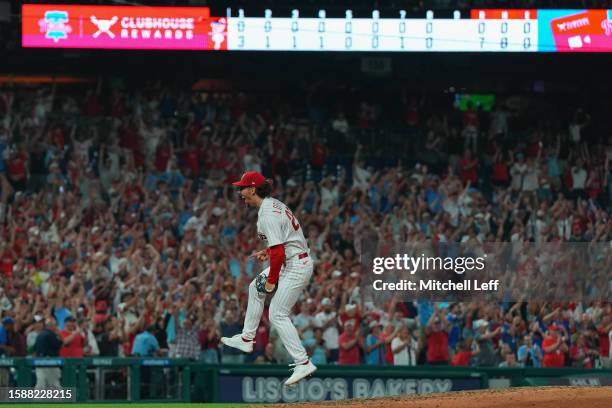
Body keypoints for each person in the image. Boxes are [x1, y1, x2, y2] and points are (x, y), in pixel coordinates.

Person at [221, 171, 317, 385]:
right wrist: (269, 251)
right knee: (254, 289)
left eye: (242, 188)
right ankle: (247, 338)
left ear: (253, 189)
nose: (240, 193)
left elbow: (280, 252)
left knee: (277, 314)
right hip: (291, 259)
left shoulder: (267, 213)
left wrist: (272, 279)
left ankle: (303, 363)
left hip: (295, 265)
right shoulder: (272, 204)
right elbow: (282, 244)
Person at [34, 318, 63, 389]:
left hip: (39, 361)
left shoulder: (40, 334)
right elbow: (59, 345)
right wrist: (59, 335)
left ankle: (38, 399)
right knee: (54, 384)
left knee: (41, 383)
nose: (56, 327)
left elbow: (34, 348)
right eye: (54, 325)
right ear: (50, 326)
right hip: (50, 362)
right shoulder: (50, 334)